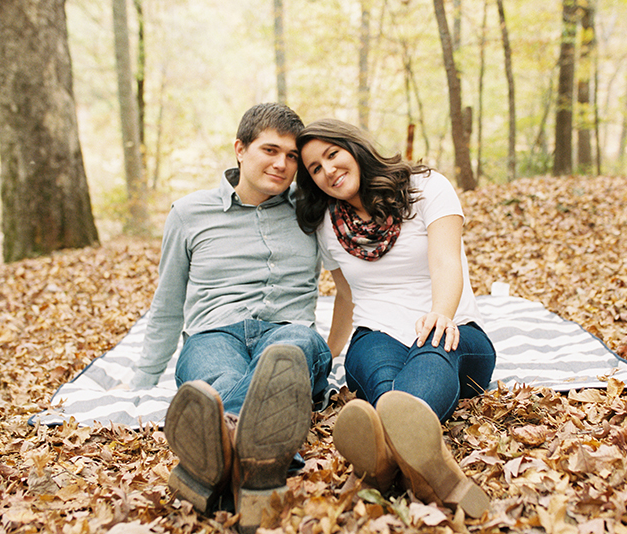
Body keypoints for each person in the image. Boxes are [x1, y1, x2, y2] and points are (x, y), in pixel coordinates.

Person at [129, 103, 332, 533]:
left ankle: (211, 466)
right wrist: (142, 384)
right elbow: (167, 304)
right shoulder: (189, 214)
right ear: (240, 149)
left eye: (292, 156)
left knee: (285, 356)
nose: (282, 164)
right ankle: (260, 468)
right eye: (270, 150)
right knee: (215, 383)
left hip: (289, 332)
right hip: (213, 334)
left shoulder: (312, 210)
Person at [295, 119, 496, 518]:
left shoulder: (426, 187)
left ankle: (384, 458)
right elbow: (347, 296)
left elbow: (445, 262)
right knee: (377, 371)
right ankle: (421, 464)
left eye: (332, 155)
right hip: (377, 333)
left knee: (435, 345)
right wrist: (330, 355)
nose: (328, 170)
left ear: (354, 147)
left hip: (453, 329)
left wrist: (441, 313)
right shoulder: (327, 226)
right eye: (315, 168)